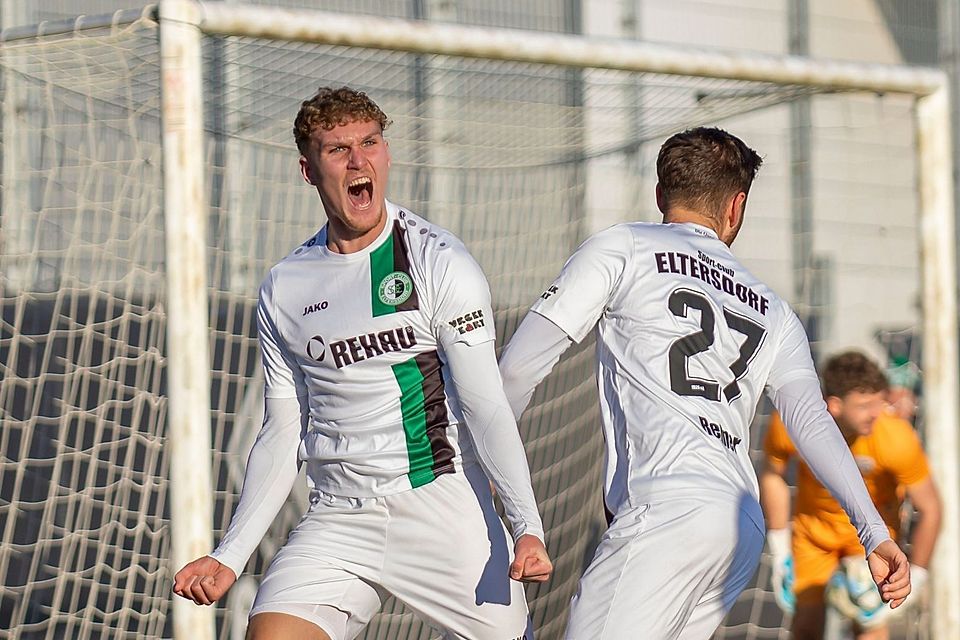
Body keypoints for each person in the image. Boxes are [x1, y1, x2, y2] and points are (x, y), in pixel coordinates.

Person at [497, 127, 911, 639]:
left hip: (665, 510)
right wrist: (874, 532)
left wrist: (483, 465)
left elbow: (516, 369)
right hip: (738, 527)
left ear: (660, 194)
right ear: (736, 207)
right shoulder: (773, 308)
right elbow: (812, 424)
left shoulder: (625, 245)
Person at [173, 86, 551, 640]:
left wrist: (526, 526)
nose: (359, 161)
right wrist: (229, 556)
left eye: (370, 143)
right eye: (338, 150)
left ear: (387, 153)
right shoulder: (286, 286)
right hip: (339, 516)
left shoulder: (438, 261)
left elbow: (485, 405)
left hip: (444, 506)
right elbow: (283, 431)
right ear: (308, 171)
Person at [761, 351, 941, 640]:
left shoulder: (896, 437)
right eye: (864, 405)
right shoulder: (791, 422)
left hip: (872, 540)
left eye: (879, 402)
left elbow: (931, 508)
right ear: (834, 406)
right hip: (814, 536)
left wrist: (918, 575)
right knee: (805, 628)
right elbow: (773, 475)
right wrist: (780, 545)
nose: (876, 412)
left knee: (870, 630)